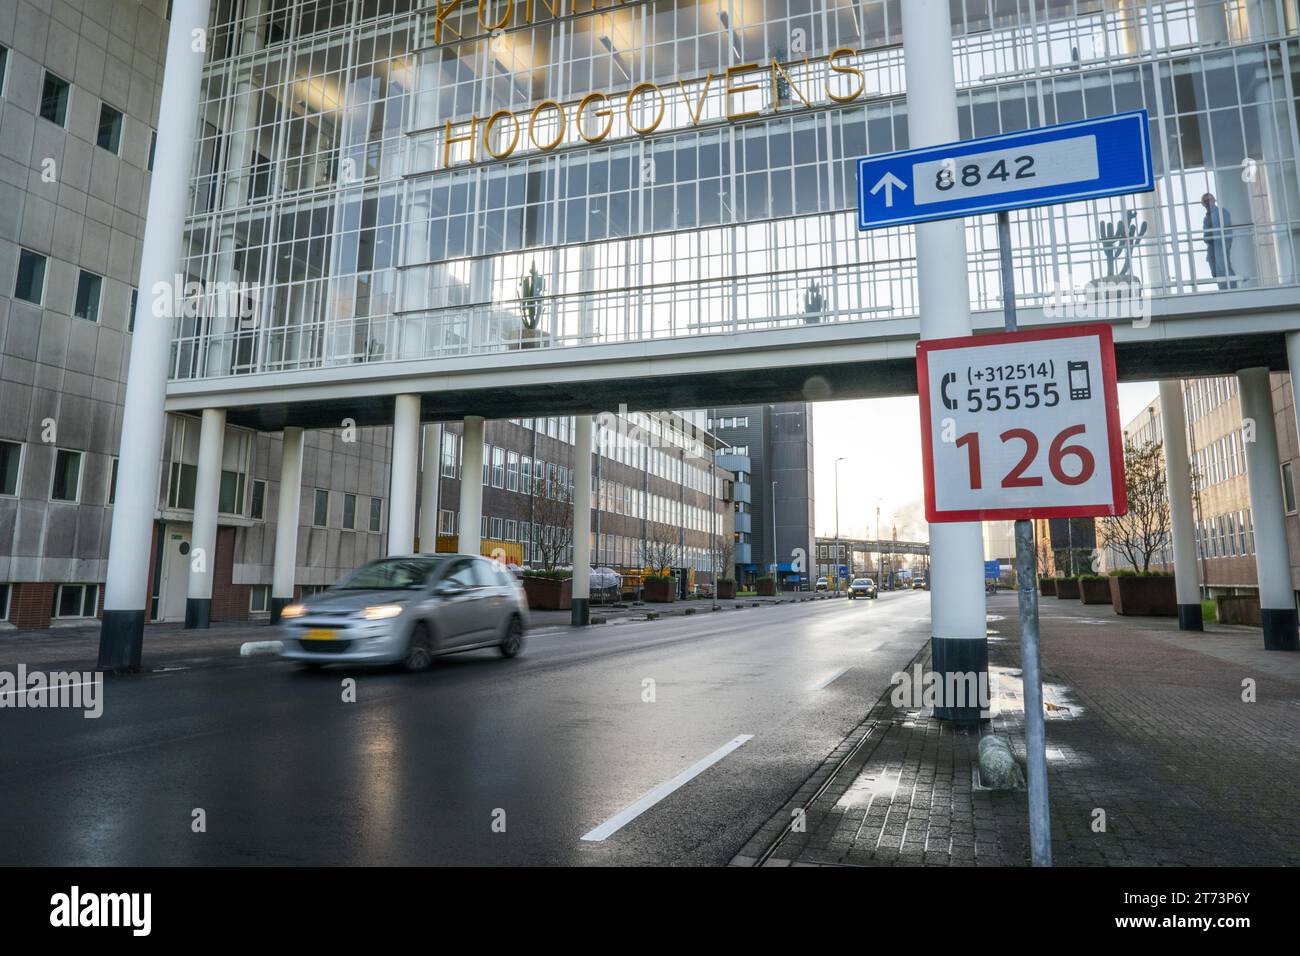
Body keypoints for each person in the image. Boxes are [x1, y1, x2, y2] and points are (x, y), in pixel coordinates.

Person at [1201, 192, 1237, 290]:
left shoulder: (1222, 212)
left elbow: (1226, 228)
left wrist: (1224, 241)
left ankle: (1232, 287)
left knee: (1223, 263)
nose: (1208, 202)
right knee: (1213, 265)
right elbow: (1205, 236)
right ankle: (1223, 287)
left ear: (1214, 200)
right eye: (1205, 201)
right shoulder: (1206, 219)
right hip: (1212, 244)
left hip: (1222, 242)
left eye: (1209, 200)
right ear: (1203, 204)